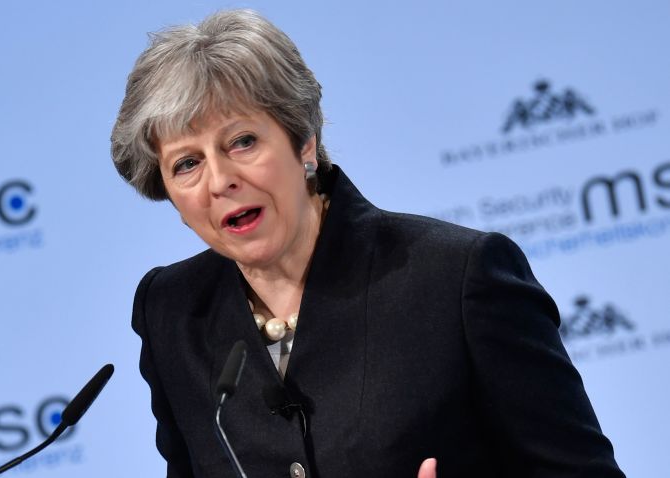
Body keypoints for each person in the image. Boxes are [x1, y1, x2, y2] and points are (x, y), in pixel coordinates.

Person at [111, 9, 624, 478]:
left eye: (242, 141)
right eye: (187, 163)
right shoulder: (170, 312)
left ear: (303, 144)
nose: (219, 179)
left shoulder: (457, 278)